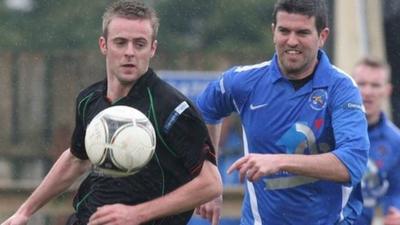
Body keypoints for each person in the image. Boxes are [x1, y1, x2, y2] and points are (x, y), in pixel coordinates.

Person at [1, 1, 222, 225]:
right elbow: (76, 159)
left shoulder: (174, 108)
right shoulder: (89, 100)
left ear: (152, 49)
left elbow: (211, 183)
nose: (129, 52)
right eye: (120, 42)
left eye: (139, 44)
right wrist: (25, 211)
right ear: (104, 45)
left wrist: (137, 214)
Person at [196, 0, 369, 224]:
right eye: (284, 31)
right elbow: (205, 110)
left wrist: (279, 161)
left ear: (322, 36)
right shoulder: (245, 82)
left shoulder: (342, 88)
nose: (292, 41)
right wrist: (210, 178)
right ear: (273, 32)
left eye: (303, 32)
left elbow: (352, 162)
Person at [352, 57, 400, 225]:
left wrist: (396, 211)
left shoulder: (396, 142)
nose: (367, 92)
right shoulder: (327, 130)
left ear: (387, 90)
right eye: (362, 84)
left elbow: (396, 190)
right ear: (350, 86)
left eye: (375, 85)